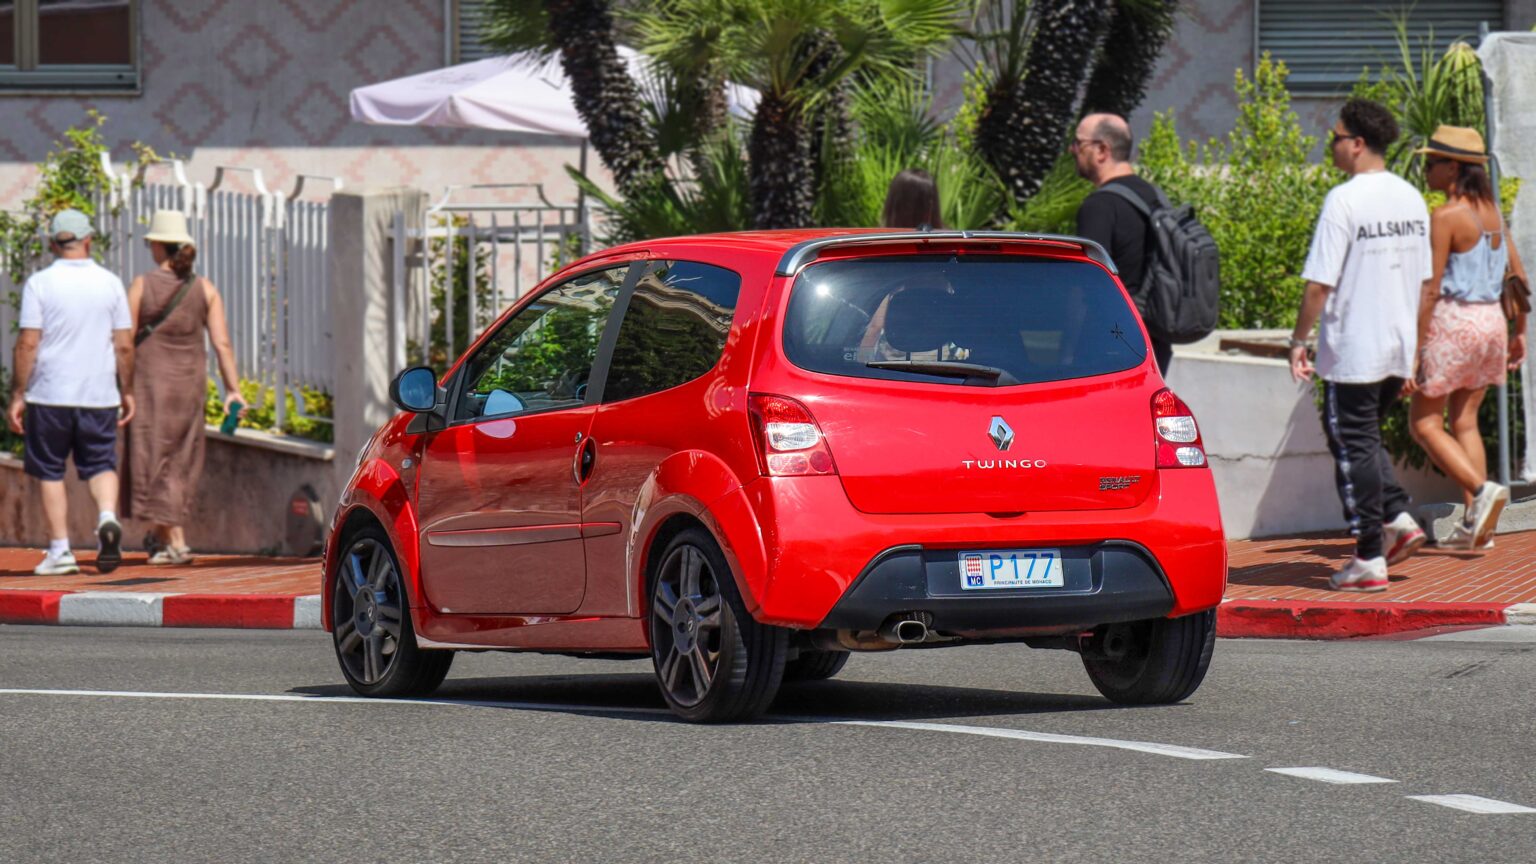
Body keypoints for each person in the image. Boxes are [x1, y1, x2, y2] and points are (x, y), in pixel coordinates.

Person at [1289, 99, 1432, 592]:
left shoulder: (1344, 200)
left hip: (1355, 352)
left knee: (1352, 447)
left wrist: (1298, 341)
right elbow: (1425, 285)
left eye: (1335, 137)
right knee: (1362, 441)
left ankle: (1370, 555)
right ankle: (1396, 517)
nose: (1330, 145)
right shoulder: (1411, 198)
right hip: (1395, 348)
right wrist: (1414, 351)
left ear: (1357, 143)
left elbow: (1317, 285)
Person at [1407, 126, 1525, 550]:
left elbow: (1430, 288)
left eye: (1431, 162)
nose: (1426, 170)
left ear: (1453, 167)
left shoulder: (1445, 216)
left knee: (1423, 422)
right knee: (1465, 421)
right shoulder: (1492, 213)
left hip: (1454, 322)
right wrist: (1521, 332)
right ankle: (1480, 528)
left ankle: (1481, 490)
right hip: (1491, 322)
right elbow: (1518, 278)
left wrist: (1414, 350)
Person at [6, 210, 134, 575]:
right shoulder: (110, 283)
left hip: (50, 393)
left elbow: (28, 342)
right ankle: (106, 517)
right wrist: (127, 390)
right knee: (101, 464)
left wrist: (18, 393)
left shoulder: (40, 283)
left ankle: (61, 551)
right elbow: (124, 345)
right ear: (88, 240)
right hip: (98, 394)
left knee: (50, 470)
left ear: (53, 244)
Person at [126, 210, 243, 565]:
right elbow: (222, 344)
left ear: (160, 246)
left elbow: (124, 339)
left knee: (153, 458)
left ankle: (172, 539)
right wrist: (233, 389)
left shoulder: (142, 285)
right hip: (189, 387)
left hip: (149, 386)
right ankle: (166, 537)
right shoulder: (205, 289)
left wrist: (121, 385)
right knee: (180, 459)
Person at [1072, 112, 1173, 374]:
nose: (1072, 150)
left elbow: (1090, 285)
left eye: (1078, 143)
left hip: (1110, 345)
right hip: (1155, 343)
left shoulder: (1100, 206)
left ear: (1102, 150)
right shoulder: (1156, 198)